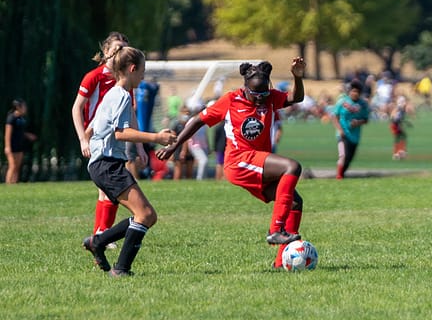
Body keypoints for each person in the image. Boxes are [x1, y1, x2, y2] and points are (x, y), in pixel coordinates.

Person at [157, 57, 307, 269]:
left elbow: (296, 98)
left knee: (294, 202)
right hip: (239, 162)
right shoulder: (230, 100)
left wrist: (297, 77)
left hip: (257, 161)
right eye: (255, 94)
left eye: (264, 94)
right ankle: (276, 229)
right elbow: (198, 120)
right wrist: (175, 145)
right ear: (245, 87)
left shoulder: (270, 98)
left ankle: (281, 262)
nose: (260, 99)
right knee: (292, 166)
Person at [81, 46, 177, 277]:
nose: (143, 76)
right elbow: (120, 133)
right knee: (146, 215)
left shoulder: (111, 94)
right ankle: (120, 268)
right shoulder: (122, 96)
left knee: (144, 215)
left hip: (102, 164)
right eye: (142, 71)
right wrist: (157, 138)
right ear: (132, 69)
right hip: (107, 165)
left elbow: (92, 129)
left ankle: (98, 242)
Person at [71, 31, 135, 240]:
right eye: (116, 48)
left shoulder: (124, 79)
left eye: (123, 49)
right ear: (105, 51)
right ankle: (101, 235)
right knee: (107, 187)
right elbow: (77, 108)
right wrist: (83, 138)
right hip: (96, 137)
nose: (119, 52)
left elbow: (130, 113)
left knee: (107, 189)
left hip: (116, 137)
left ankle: (100, 234)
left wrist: (140, 147)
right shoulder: (94, 77)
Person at [332, 79, 370, 179]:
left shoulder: (363, 105)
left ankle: (342, 174)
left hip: (355, 136)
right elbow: (334, 116)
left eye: (357, 92)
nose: (355, 93)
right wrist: (339, 129)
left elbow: (366, 119)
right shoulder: (342, 102)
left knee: (349, 158)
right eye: (353, 91)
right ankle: (338, 176)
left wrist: (358, 122)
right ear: (349, 91)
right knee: (343, 155)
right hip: (343, 134)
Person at [4, 99, 37, 183]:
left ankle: (14, 184)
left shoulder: (21, 119)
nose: (25, 108)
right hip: (12, 146)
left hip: (19, 145)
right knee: (12, 166)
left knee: (17, 166)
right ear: (18, 107)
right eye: (24, 106)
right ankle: (8, 184)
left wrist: (28, 135)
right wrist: (7, 147)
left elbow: (20, 132)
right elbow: (8, 133)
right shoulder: (11, 118)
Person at [390, 95, 411, 160]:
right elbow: (393, 117)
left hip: (396, 124)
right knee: (400, 137)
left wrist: (406, 122)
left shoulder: (401, 108)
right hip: (395, 125)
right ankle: (398, 152)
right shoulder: (400, 108)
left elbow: (399, 118)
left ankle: (399, 152)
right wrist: (398, 124)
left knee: (400, 137)